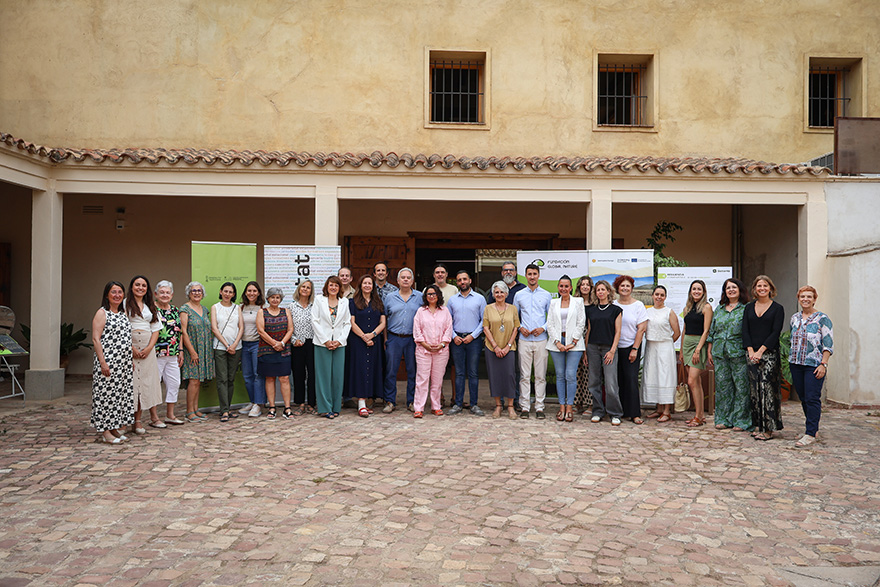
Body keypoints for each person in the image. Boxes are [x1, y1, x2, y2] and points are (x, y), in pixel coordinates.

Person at [789, 285, 833, 448]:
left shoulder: (822, 318)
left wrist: (824, 364)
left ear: (814, 299)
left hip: (814, 364)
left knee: (812, 397)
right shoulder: (795, 318)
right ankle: (812, 428)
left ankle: (810, 433)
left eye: (809, 296)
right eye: (802, 297)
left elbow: (828, 343)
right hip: (796, 363)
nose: (805, 299)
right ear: (798, 299)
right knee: (803, 397)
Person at [742, 275, 785, 441]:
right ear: (754, 289)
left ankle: (769, 429)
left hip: (769, 354)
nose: (762, 288)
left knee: (767, 389)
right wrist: (751, 351)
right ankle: (759, 425)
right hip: (751, 354)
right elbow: (745, 330)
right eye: (759, 286)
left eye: (765, 285)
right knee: (754, 390)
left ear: (770, 288)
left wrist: (761, 351)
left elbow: (775, 332)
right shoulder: (748, 307)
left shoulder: (777, 308)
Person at [90, 281, 134, 444]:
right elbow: (96, 338)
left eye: (120, 292)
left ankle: (114, 427)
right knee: (106, 396)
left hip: (123, 363)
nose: (117, 295)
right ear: (107, 295)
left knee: (119, 396)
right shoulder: (102, 313)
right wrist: (103, 362)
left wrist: (129, 359)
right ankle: (105, 431)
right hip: (108, 361)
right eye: (113, 292)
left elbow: (126, 338)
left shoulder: (123, 313)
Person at [706, 278, 752, 432]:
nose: (731, 290)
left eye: (734, 287)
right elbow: (712, 331)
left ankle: (741, 420)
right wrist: (710, 350)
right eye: (728, 288)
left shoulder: (746, 308)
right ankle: (723, 418)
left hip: (738, 351)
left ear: (740, 290)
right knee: (722, 387)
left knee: (741, 387)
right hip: (720, 352)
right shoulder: (719, 309)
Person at [125, 275, 164, 433]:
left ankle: (138, 421)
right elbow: (122, 327)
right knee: (131, 385)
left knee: (145, 385)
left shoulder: (151, 306)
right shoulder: (124, 304)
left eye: (143, 285)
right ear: (132, 286)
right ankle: (124, 422)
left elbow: (156, 329)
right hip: (130, 347)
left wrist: (148, 348)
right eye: (137, 285)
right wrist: (131, 348)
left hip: (147, 349)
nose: (140, 288)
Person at [446, 269, 487, 416]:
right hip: (456, 340)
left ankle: (474, 404)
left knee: (473, 373)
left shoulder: (479, 299)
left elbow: (484, 320)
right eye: (459, 280)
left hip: (473, 340)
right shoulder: (452, 300)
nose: (462, 282)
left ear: (470, 281)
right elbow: (447, 321)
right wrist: (453, 336)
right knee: (459, 373)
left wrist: (473, 335)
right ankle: (458, 404)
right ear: (457, 283)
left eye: (464, 279)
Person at [382, 268, 422, 413]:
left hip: (412, 339)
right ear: (398, 281)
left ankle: (411, 401)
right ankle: (390, 401)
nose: (405, 280)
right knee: (391, 371)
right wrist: (386, 339)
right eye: (402, 277)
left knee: (412, 371)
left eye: (408, 278)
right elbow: (384, 320)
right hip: (394, 338)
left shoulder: (420, 297)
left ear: (412, 281)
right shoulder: (390, 297)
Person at [514, 264, 552, 419]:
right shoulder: (519, 295)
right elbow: (514, 316)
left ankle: (540, 407)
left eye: (534, 274)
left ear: (538, 275)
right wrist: (520, 327)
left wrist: (543, 328)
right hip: (524, 339)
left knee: (540, 375)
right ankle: (524, 407)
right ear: (525, 275)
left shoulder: (546, 295)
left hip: (541, 340)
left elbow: (552, 317)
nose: (532, 277)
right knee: (524, 375)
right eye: (529, 274)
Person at [312, 276, 352, 418]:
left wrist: (340, 341)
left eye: (336, 285)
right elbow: (315, 321)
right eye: (331, 285)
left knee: (337, 376)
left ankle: (335, 407)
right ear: (326, 287)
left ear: (340, 288)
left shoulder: (344, 301)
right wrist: (326, 340)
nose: (333, 288)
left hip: (339, 344)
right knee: (323, 377)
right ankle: (324, 408)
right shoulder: (319, 300)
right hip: (322, 343)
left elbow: (347, 323)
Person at [546, 275, 585, 422]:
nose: (563, 288)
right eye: (561, 286)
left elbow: (581, 322)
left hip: (574, 344)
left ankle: (570, 407)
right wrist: (557, 342)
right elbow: (549, 324)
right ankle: (561, 406)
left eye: (566, 286)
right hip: (557, 343)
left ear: (571, 288)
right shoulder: (553, 302)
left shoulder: (578, 302)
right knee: (560, 375)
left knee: (570, 375)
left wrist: (573, 342)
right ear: (558, 287)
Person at [585, 280, 623, 425]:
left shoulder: (616, 310)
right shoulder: (591, 310)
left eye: (603, 289)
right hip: (593, 348)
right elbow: (588, 330)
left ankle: (615, 413)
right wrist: (585, 351)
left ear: (608, 291)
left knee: (611, 383)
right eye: (598, 290)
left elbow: (618, 331)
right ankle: (598, 411)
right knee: (594, 382)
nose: (600, 292)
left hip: (609, 349)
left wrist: (613, 351)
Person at [348, 275, 386, 417]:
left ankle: (368, 400)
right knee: (360, 370)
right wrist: (364, 337)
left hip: (374, 341)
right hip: (358, 341)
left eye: (370, 283)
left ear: (373, 286)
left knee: (372, 369)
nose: (367, 286)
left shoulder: (378, 302)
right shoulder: (353, 302)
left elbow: (383, 322)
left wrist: (373, 335)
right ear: (360, 285)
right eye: (365, 283)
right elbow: (352, 322)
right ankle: (361, 404)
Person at [412, 283, 453, 417]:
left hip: (441, 351)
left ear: (438, 296)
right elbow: (417, 330)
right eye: (429, 294)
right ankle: (419, 407)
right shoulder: (420, 311)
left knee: (437, 380)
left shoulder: (445, 311)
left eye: (434, 294)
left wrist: (442, 344)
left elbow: (449, 329)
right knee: (422, 379)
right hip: (423, 350)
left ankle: (436, 406)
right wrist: (425, 344)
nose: (431, 296)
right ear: (425, 296)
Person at [642, 285, 681, 423]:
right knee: (653, 375)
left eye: (662, 295)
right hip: (651, 347)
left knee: (665, 376)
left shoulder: (669, 312)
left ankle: (666, 411)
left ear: (665, 297)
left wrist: (666, 342)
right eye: (657, 294)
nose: (659, 297)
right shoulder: (647, 311)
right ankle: (658, 408)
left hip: (665, 347)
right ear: (652, 295)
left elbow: (677, 333)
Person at [613, 275, 648, 425]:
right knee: (618, 380)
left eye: (627, 286)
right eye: (622, 286)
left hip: (631, 347)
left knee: (631, 380)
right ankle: (620, 411)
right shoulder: (613, 304)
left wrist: (635, 348)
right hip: (615, 349)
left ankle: (634, 413)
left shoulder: (638, 305)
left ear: (632, 288)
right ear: (617, 288)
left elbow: (641, 328)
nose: (625, 288)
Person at [483, 281, 520, 419]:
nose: (499, 294)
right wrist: (496, 346)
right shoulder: (488, 308)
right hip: (492, 348)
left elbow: (516, 327)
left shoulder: (513, 309)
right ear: (493, 294)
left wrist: (508, 346)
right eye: (496, 292)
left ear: (506, 294)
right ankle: (498, 406)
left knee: (510, 376)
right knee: (495, 376)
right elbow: (485, 327)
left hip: (509, 348)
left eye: (502, 292)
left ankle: (510, 406)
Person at [256, 287, 294, 419]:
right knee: (270, 378)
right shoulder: (262, 312)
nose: (275, 300)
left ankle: (287, 408)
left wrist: (281, 343)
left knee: (284, 378)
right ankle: (271, 407)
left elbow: (290, 329)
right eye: (272, 297)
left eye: (277, 297)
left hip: (284, 350)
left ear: (281, 299)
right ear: (268, 299)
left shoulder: (286, 311)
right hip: (267, 350)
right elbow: (261, 331)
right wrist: (274, 343)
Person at [680, 279, 713, 427]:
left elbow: (706, 331)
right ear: (690, 291)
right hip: (686, 345)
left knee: (692, 381)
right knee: (696, 383)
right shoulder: (687, 307)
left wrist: (699, 350)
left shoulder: (706, 307)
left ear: (704, 292)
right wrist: (681, 350)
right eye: (694, 289)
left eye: (699, 289)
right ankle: (699, 415)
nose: (696, 292)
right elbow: (684, 330)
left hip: (698, 345)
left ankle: (699, 416)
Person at [180, 281, 214, 422]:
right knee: (193, 381)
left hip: (204, 349)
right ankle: (189, 412)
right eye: (193, 290)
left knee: (198, 381)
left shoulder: (205, 309)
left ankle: (195, 409)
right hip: (192, 349)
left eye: (199, 290)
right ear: (189, 292)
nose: (196, 293)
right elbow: (183, 332)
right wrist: (192, 351)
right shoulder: (185, 309)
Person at [211, 281, 244, 423]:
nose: (227, 294)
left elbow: (241, 327)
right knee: (222, 379)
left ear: (234, 294)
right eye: (225, 291)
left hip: (236, 347)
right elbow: (214, 328)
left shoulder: (237, 308)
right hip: (220, 347)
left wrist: (235, 343)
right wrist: (226, 344)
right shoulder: (215, 307)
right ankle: (223, 410)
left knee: (231, 379)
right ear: (220, 292)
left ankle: (228, 408)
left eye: (230, 292)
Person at [154, 280, 184, 425]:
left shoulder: (175, 310)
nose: (165, 295)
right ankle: (154, 417)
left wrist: (181, 350)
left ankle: (170, 415)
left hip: (173, 353)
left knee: (174, 383)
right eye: (162, 292)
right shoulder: (151, 310)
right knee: (155, 384)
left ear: (172, 295)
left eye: (167, 293)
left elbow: (180, 332)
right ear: (156, 294)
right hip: (156, 353)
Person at [239, 281, 266, 418]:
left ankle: (258, 404)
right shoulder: (240, 307)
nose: (252, 293)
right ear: (245, 293)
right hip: (244, 345)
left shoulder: (263, 307)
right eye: (249, 291)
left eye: (254, 291)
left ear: (259, 293)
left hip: (258, 344)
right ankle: (252, 401)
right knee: (247, 376)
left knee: (257, 375)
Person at [290, 279, 317, 415]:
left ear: (311, 291)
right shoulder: (291, 307)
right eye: (303, 287)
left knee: (312, 375)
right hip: (297, 344)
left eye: (308, 287)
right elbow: (288, 328)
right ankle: (300, 404)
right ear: (299, 289)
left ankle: (312, 403)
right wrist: (294, 340)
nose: (305, 289)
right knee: (298, 375)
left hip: (312, 343)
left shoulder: (315, 306)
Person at [573, 276, 595, 414]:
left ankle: (590, 404)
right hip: (575, 337)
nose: (585, 287)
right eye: (583, 284)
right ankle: (577, 403)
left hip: (591, 339)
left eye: (588, 285)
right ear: (579, 287)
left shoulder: (595, 304)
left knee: (589, 373)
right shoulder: (574, 303)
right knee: (576, 372)